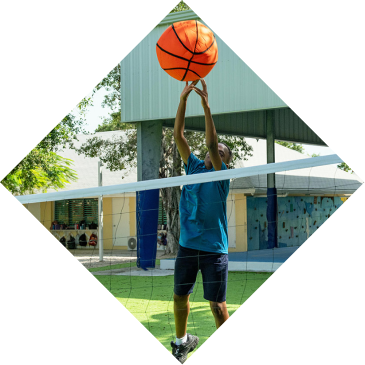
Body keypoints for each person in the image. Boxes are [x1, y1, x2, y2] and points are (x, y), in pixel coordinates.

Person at [171, 78, 232, 363]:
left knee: (217, 307)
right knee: (179, 298)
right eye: (213, 151)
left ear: (223, 161)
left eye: (220, 152)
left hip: (214, 250)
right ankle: (182, 343)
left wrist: (206, 107)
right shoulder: (193, 167)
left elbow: (210, 141)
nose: (213, 152)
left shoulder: (221, 177)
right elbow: (179, 135)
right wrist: (183, 100)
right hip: (187, 246)